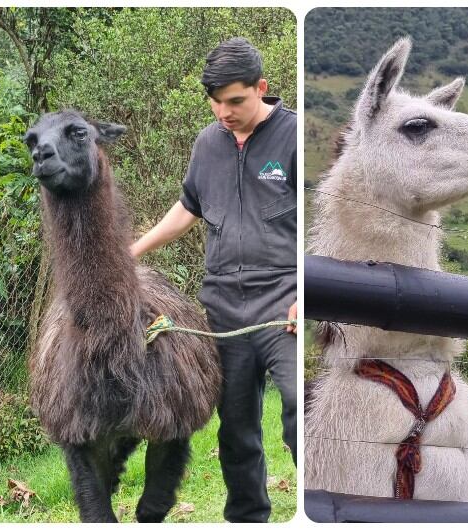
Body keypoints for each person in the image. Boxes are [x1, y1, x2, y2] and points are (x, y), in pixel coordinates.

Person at [130, 37, 296, 523]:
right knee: (236, 428)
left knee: (297, 404)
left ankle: (322, 502)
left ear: (261, 88)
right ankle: (248, 516)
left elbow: (321, 223)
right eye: (216, 102)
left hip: (284, 301)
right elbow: (188, 209)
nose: (224, 112)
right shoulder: (208, 144)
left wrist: (307, 293)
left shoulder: (293, 137)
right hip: (223, 308)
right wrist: (131, 252)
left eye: (235, 101)